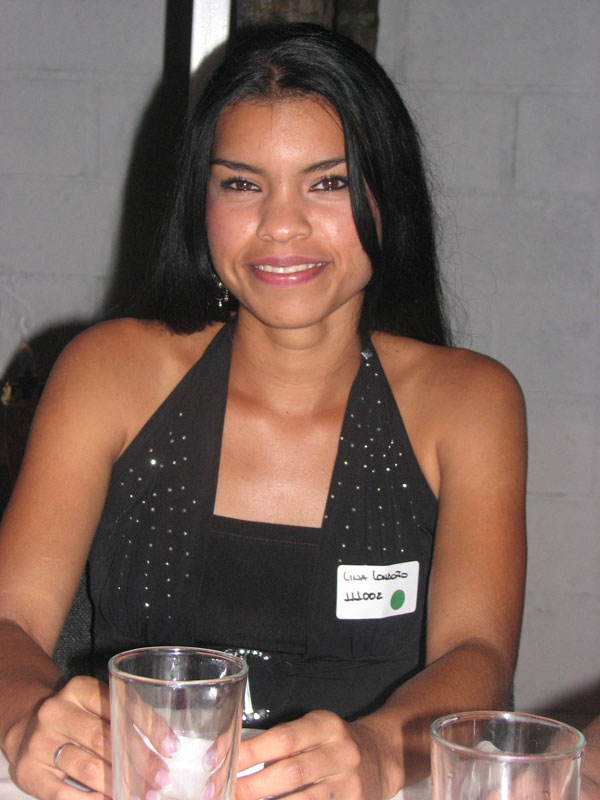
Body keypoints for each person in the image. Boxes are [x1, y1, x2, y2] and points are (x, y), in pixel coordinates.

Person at [0, 22, 527, 800]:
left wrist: (377, 752)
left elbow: (477, 655)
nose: (281, 225)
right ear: (200, 201)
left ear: (389, 195)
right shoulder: (108, 372)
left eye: (329, 183)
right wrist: (25, 719)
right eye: (242, 184)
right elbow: (11, 619)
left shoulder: (470, 402)